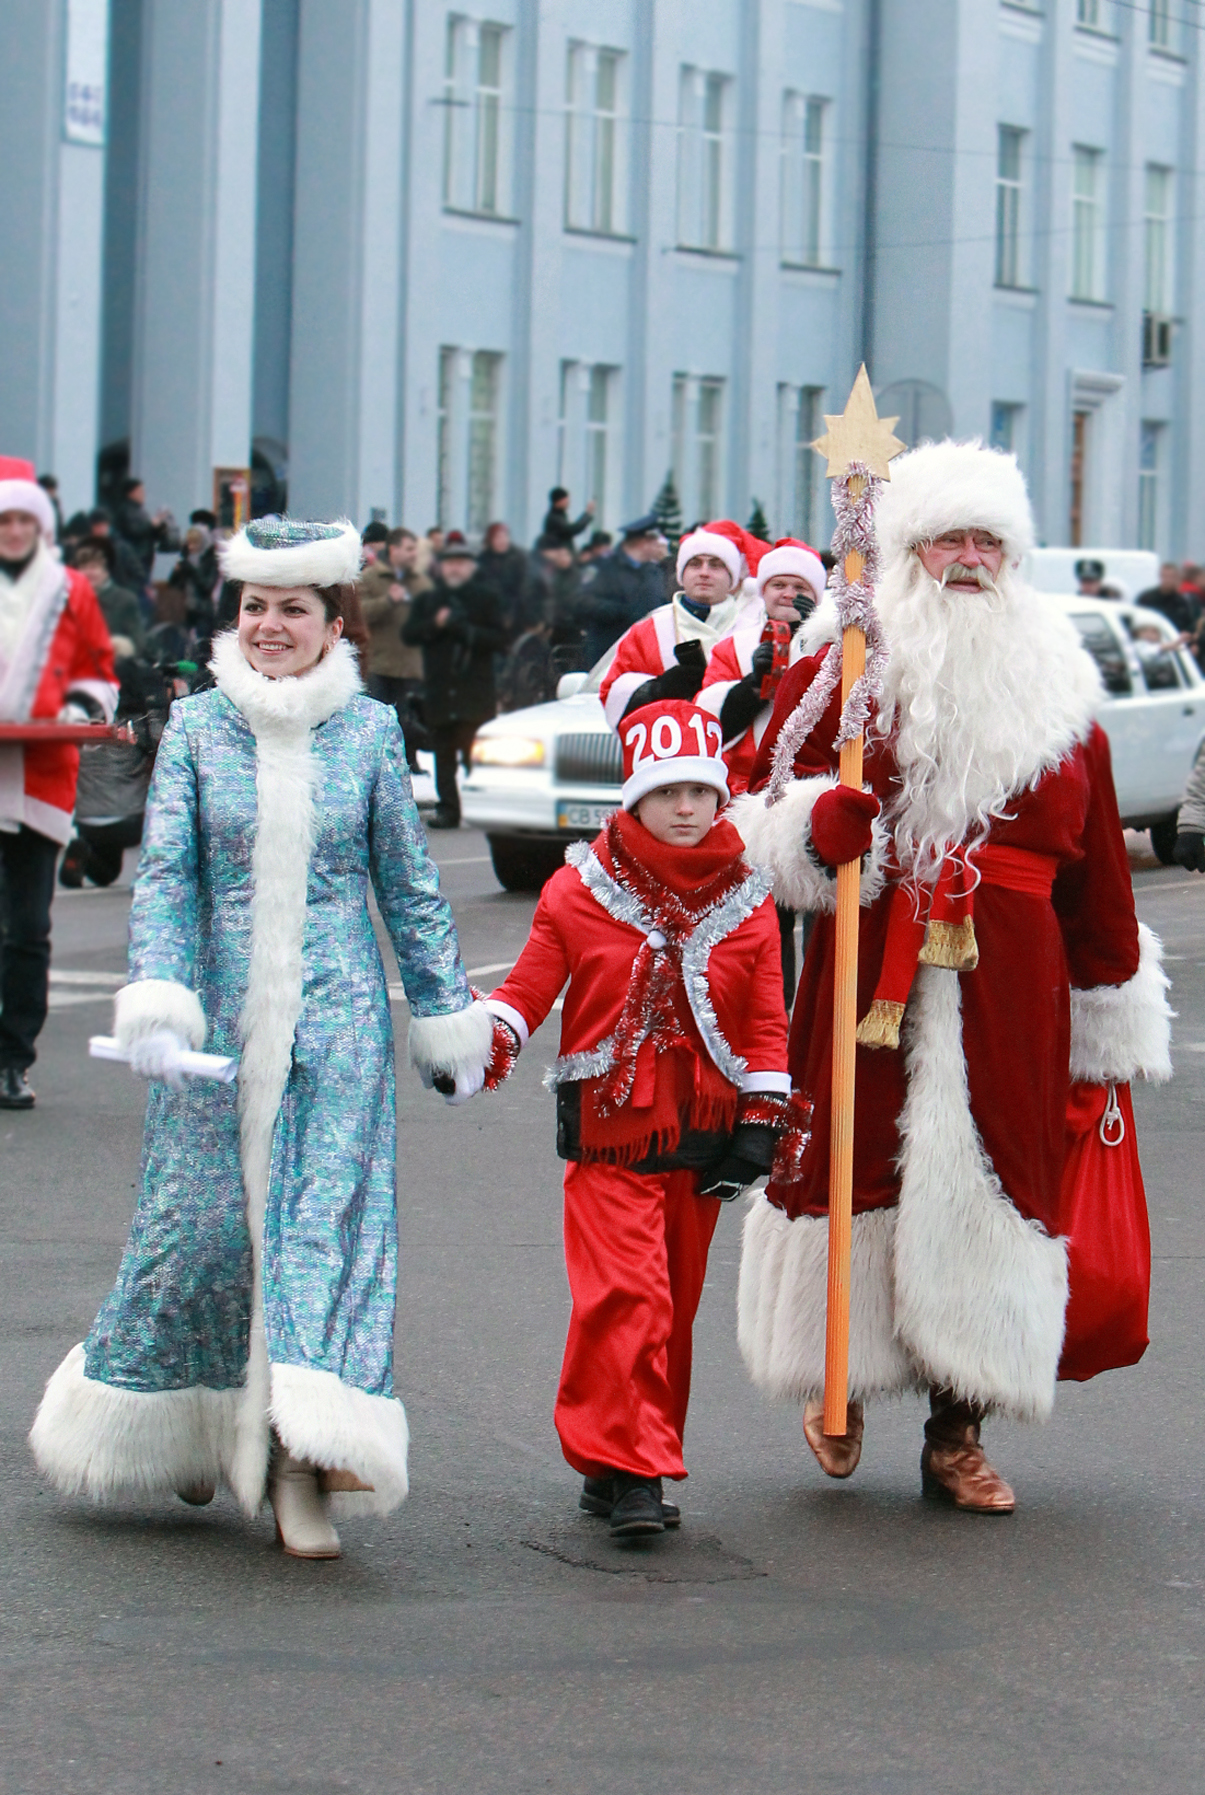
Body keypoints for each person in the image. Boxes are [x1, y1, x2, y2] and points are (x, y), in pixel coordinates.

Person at [30, 514, 503, 1560]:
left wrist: (443, 1012)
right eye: (255, 607)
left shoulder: (370, 732)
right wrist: (159, 995)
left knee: (319, 1239)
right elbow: (166, 878)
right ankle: (192, 1413)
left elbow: (407, 883)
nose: (270, 626)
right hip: (216, 1024)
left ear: (336, 622)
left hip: (337, 1025)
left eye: (293, 608)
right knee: (200, 1234)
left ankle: (302, 1463)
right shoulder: (200, 727)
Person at [732, 440, 1172, 1514]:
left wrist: (1109, 1000)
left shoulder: (1061, 691)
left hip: (1012, 982)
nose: (968, 559)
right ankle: (836, 1375)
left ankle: (957, 1428)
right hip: (868, 954)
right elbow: (763, 801)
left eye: (987, 541)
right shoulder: (846, 663)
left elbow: (1098, 873)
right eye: (947, 540)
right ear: (905, 550)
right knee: (850, 1163)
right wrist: (815, 828)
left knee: (995, 1185)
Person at [483, 700, 791, 1536]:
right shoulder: (577, 889)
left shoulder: (748, 898)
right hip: (609, 1134)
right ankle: (638, 1473)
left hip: (705, 1137)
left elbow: (765, 1020)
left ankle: (609, 1461)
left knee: (671, 1309)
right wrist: (479, 1038)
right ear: (634, 797)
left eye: (699, 791)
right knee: (627, 1297)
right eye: (665, 792)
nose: (685, 808)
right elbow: (526, 993)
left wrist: (760, 1125)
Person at [0, 457, 117, 1108]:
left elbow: (98, 670)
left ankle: (12, 1058)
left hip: (40, 779)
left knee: (26, 928)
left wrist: (76, 708)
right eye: (4, 520)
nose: (14, 530)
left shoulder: (71, 589)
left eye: (24, 519)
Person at [698, 539, 829, 1007]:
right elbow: (709, 723)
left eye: (799, 587)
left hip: (817, 796)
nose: (787, 594)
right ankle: (772, 1010)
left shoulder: (838, 644)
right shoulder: (734, 645)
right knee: (764, 922)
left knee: (822, 920)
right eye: (778, 585)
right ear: (762, 590)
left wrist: (816, 641)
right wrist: (752, 687)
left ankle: (815, 1015)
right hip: (754, 798)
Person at [598, 520, 757, 730]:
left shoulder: (754, 630)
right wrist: (657, 689)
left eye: (716, 565)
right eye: (695, 564)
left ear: (732, 578)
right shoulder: (648, 630)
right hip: (663, 743)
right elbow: (610, 694)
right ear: (681, 574)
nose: (704, 572)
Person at [402, 530, 506, 828]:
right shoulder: (429, 599)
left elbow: (499, 639)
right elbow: (410, 634)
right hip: (440, 688)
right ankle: (449, 809)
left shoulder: (486, 599)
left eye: (461, 563)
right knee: (443, 754)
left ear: (470, 567)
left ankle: (483, 807)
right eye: (450, 563)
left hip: (474, 690)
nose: (455, 569)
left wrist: (466, 631)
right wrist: (436, 624)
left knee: (476, 753)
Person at [359, 525, 431, 771]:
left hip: (411, 663)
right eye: (408, 549)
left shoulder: (420, 581)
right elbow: (361, 613)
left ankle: (409, 760)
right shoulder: (371, 578)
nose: (413, 554)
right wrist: (388, 601)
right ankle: (375, 765)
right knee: (378, 719)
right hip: (380, 663)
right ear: (393, 550)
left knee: (408, 718)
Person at [576, 513, 669, 668]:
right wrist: (620, 611)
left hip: (645, 655)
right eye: (654, 541)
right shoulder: (603, 566)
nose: (658, 546)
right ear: (642, 542)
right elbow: (582, 601)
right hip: (608, 654)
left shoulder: (653, 571)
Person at [73, 539, 147, 655]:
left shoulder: (125, 600)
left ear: (106, 571)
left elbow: (139, 645)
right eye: (84, 567)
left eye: (94, 567)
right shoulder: (70, 601)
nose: (88, 573)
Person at [476, 521, 532, 645]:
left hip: (516, 615)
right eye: (497, 538)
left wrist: (513, 614)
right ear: (490, 540)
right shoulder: (482, 560)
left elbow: (525, 589)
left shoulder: (519, 558)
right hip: (489, 616)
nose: (502, 541)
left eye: (504, 537)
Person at [114, 477, 178, 580]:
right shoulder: (126, 510)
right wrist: (151, 524)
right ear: (130, 493)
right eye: (140, 491)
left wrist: (159, 526)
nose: (143, 494)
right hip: (135, 558)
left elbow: (148, 533)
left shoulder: (139, 511)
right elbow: (134, 530)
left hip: (144, 558)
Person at [1136, 561, 1201, 637]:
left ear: (1177, 578)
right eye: (1165, 576)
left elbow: (1189, 625)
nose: (1167, 580)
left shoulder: (1182, 602)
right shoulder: (1146, 598)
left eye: (1171, 577)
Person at [540, 486, 595, 552]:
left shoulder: (560, 516)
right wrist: (587, 514)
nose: (568, 503)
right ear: (558, 501)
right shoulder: (553, 518)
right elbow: (571, 529)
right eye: (566, 500)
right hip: (558, 554)